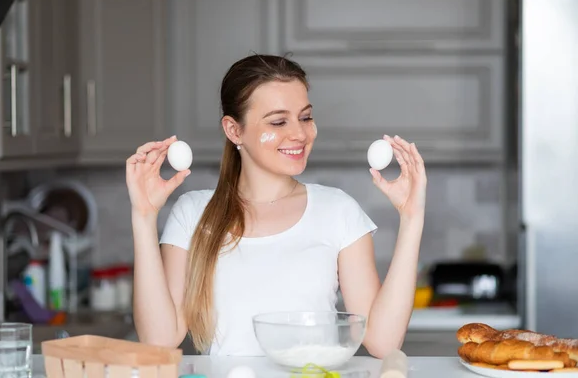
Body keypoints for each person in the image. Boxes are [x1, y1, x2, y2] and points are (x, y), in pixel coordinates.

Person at [126, 54, 427, 358]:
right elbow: (158, 341)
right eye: (279, 121)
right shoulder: (193, 214)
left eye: (306, 117)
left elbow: (383, 342)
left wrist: (411, 217)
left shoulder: (338, 211)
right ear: (234, 130)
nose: (299, 133)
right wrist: (143, 215)